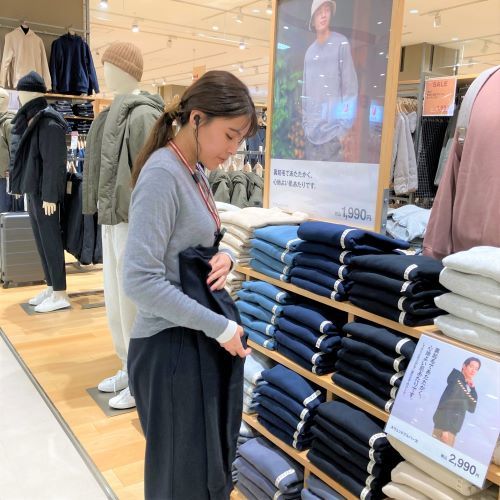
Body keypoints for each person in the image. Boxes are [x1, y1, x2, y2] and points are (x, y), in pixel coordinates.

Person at [122, 70, 257, 499]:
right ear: (197, 118)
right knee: (180, 482)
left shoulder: (193, 169)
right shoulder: (164, 174)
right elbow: (140, 280)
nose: (234, 149)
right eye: (230, 135)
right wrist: (221, 327)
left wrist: (225, 256)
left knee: (198, 475)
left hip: (189, 339)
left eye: (240, 139)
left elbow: (189, 243)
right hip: (169, 349)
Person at [302, 0, 358, 162]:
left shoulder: (341, 43)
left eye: (326, 10)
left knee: (333, 177)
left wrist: (343, 130)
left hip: (334, 135)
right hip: (312, 136)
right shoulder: (310, 53)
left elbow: (350, 88)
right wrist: (306, 125)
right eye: (319, 12)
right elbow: (305, 93)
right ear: (313, 19)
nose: (323, 15)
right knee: (311, 177)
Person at [432, 357, 480, 447]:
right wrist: (445, 430)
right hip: (445, 429)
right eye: (471, 366)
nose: (473, 370)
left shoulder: (462, 384)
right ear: (464, 366)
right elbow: (447, 404)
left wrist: (472, 389)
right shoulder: (457, 382)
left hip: (450, 430)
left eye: (476, 369)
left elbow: (471, 408)